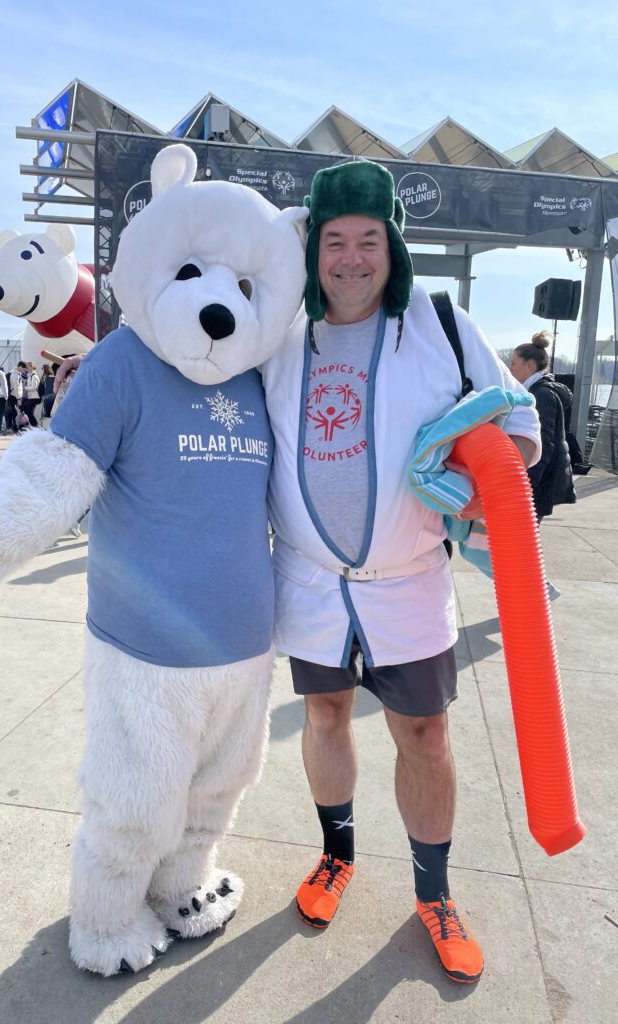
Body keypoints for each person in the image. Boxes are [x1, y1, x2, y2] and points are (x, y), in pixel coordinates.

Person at [261, 160, 541, 985]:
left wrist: (492, 474)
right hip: (310, 581)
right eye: (334, 241)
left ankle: (435, 893)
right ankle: (335, 855)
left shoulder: (442, 322)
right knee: (323, 717)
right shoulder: (279, 333)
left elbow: (518, 422)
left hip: (410, 581)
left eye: (368, 240)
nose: (350, 258)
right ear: (313, 249)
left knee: (425, 734)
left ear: (393, 245)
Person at [510, 332, 576, 600]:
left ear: (529, 366)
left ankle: (539, 593)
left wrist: (524, 486)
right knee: (522, 544)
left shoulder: (542, 396)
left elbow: (543, 446)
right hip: (540, 483)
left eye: (514, 363)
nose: (510, 368)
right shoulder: (539, 392)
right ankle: (536, 592)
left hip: (538, 485)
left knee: (521, 545)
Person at [5, 360, 25, 433]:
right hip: (13, 395)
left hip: (15, 395)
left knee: (14, 412)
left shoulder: (17, 373)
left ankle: (15, 426)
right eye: (23, 369)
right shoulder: (14, 374)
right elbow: (16, 387)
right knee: (14, 412)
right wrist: (18, 398)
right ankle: (15, 427)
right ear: (20, 367)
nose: (23, 371)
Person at [21, 361, 41, 427]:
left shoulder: (34, 376)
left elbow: (34, 387)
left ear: (30, 367)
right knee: (28, 412)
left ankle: (36, 427)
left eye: (27, 367)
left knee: (30, 413)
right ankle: (35, 426)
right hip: (31, 397)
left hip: (34, 397)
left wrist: (24, 388)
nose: (26, 369)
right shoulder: (30, 375)